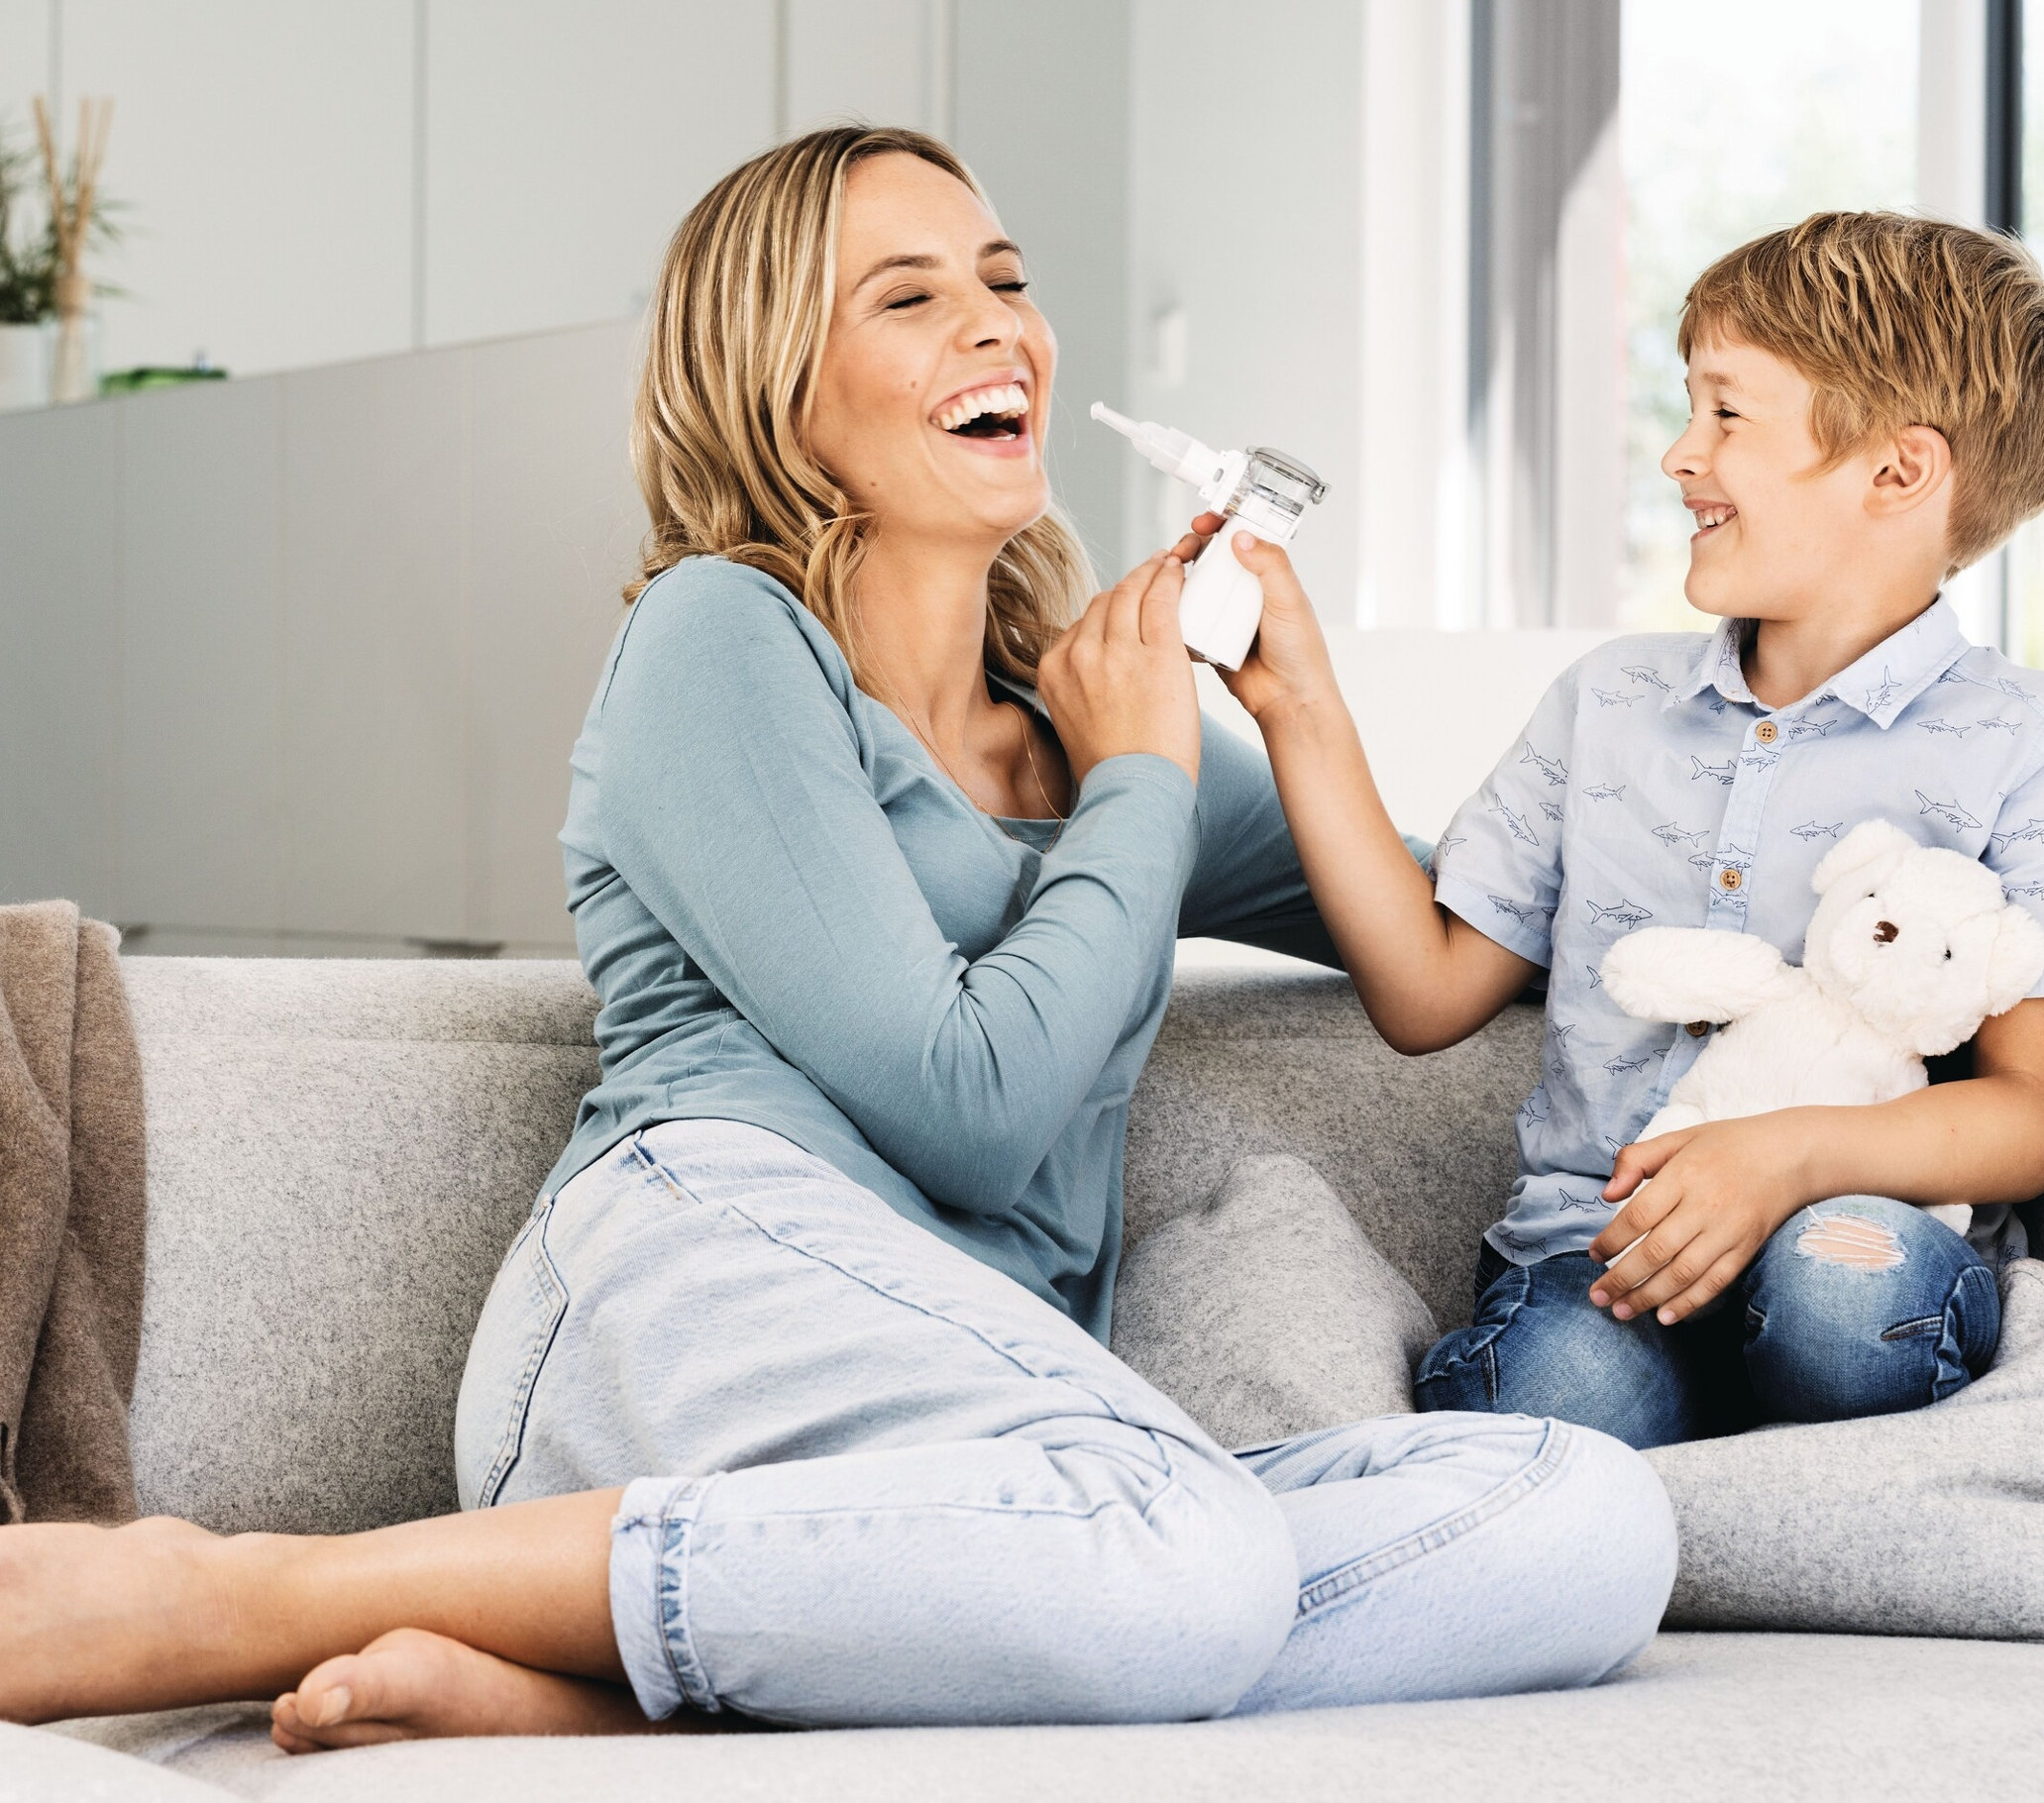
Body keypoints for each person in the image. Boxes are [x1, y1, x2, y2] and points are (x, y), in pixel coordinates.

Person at [0, 127, 1674, 1747]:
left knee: (1580, 1520)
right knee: (1183, 1550)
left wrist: (1297, 716)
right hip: (698, 1293)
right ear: (775, 392)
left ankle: (615, 1678)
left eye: (1003, 278)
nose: (995, 320)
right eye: (907, 294)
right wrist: (1148, 772)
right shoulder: (720, 640)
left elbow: (1483, 923)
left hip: (943, 1453)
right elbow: (969, 1100)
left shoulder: (1084, 731)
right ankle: (250, 1591)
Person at [1202, 211, 2044, 1452]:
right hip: (1603, 1259)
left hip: (1857, 1249)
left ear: (1898, 472)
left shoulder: (2039, 744)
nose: (1681, 456)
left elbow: (2028, 1116)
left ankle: (1745, 1472)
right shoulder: (1610, 705)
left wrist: (1783, 1160)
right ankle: (1721, 1481)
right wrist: (1297, 704)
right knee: (1538, 1406)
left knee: (1839, 1298)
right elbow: (1425, 993)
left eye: (1727, 415)